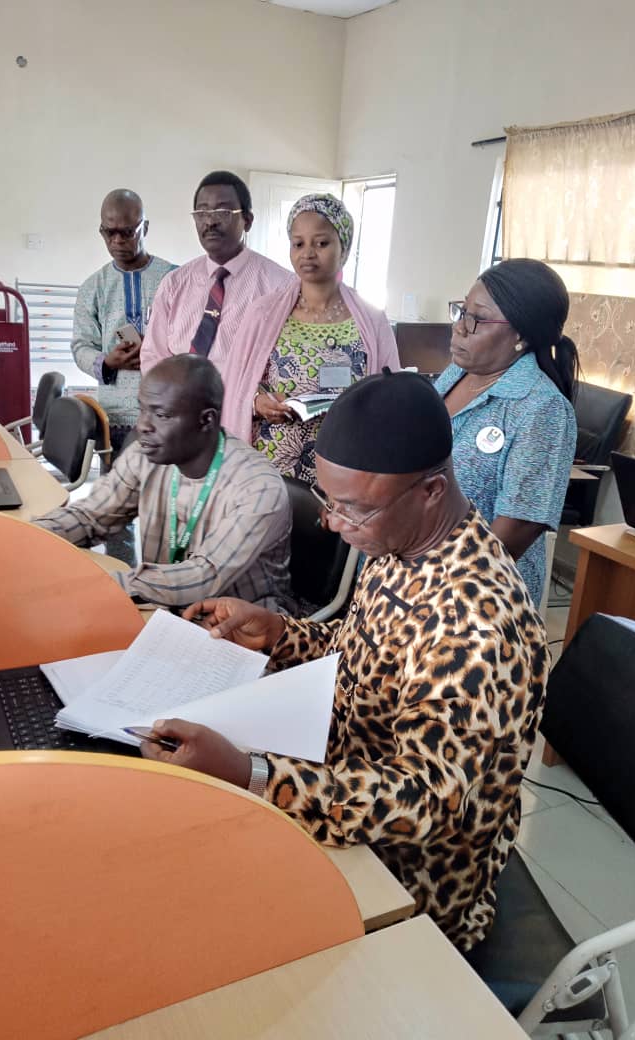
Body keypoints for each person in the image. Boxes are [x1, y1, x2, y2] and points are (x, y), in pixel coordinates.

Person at [135, 371, 549, 952]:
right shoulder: (404, 542)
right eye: (329, 502)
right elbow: (366, 652)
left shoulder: (478, 625)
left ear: (430, 491)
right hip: (335, 791)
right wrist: (281, 632)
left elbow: (427, 804)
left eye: (351, 509)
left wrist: (252, 775)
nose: (331, 523)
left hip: (406, 881)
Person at [33, 356, 293, 611]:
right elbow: (90, 517)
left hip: (237, 634)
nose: (143, 425)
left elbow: (203, 577)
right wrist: (21, 536)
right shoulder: (145, 455)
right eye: (142, 409)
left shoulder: (257, 487)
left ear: (207, 420)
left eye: (161, 414)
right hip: (163, 614)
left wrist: (92, 586)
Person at [222, 193, 399, 484]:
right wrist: (257, 404)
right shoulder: (264, 314)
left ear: (344, 247)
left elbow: (391, 398)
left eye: (321, 243)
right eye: (298, 243)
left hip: (349, 468)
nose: (308, 253)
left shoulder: (371, 319)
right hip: (273, 469)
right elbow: (233, 387)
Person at [434, 259, 578, 605]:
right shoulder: (457, 374)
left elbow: (514, 532)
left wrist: (434, 588)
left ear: (522, 335)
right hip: (413, 573)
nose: (460, 327)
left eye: (477, 319)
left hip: (473, 597)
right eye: (461, 311)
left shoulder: (541, 409)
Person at [139, 171, 291, 378]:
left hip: (246, 407)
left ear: (247, 220)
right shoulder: (174, 283)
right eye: (202, 213)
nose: (210, 222)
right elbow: (153, 356)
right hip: (179, 405)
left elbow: (284, 363)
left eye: (223, 212)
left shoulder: (281, 286)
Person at [71, 189, 176, 458]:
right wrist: (107, 362)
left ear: (145, 228)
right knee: (117, 492)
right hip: (113, 415)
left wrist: (158, 354)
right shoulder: (93, 287)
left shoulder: (174, 279)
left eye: (128, 232)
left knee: (165, 494)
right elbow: (81, 345)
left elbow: (193, 340)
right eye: (109, 232)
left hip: (168, 411)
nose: (117, 241)